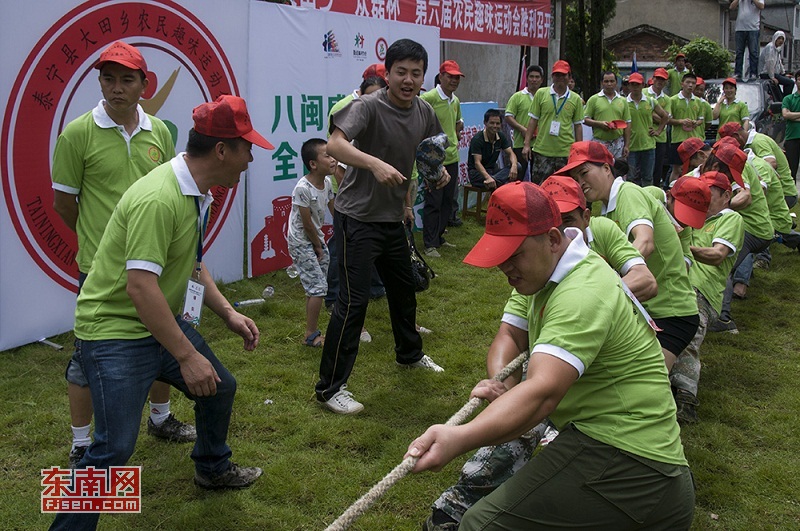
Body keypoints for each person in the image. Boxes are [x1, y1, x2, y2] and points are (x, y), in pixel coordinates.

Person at [409, 181, 694, 531]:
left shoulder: (582, 292)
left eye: (515, 254)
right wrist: (504, 384)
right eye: (500, 256)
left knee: (479, 525)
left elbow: (542, 393)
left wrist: (458, 437)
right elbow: (510, 334)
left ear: (554, 239)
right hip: (622, 455)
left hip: (632, 464)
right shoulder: (543, 276)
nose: (505, 268)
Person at [49, 95, 271, 531]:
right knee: (113, 448)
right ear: (222, 150)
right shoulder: (161, 198)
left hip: (156, 323)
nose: (250, 159)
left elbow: (189, 261)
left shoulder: (193, 189)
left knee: (220, 388)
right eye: (246, 148)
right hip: (114, 331)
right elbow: (140, 287)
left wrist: (227, 313)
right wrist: (187, 356)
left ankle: (211, 468)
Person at [50, 40, 193, 468]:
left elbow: (171, 190)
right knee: (86, 360)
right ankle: (81, 442)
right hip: (99, 270)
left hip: (155, 265)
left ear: (143, 85)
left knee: (162, 339)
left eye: (126, 79)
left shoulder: (161, 133)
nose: (116, 88)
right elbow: (64, 203)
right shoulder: (77, 134)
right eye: (108, 78)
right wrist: (103, 244)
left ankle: (161, 418)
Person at [317, 38, 447, 415]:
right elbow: (335, 146)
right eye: (401, 72)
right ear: (387, 73)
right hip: (357, 218)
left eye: (416, 73)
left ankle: (409, 354)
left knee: (404, 291)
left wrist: (436, 174)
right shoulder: (367, 107)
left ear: (424, 76)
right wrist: (372, 164)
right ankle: (330, 389)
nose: (408, 79)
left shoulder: (424, 110)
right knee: (353, 303)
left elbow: (429, 150)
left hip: (393, 218)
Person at [558, 141, 699, 371]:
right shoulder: (605, 210)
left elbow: (645, 241)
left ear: (606, 168)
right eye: (575, 178)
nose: (581, 182)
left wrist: (602, 286)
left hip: (670, 312)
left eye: (584, 173)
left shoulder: (628, 194)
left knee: (646, 381)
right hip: (644, 308)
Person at [668, 173, 744, 423]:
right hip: (675, 282)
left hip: (701, 288)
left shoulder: (730, 218)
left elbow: (717, 254)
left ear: (727, 196)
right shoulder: (691, 217)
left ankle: (686, 398)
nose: (705, 202)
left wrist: (675, 244)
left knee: (689, 335)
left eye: (710, 197)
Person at [700, 141, 772, 334]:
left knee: (722, 267)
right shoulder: (727, 167)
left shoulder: (739, 168)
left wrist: (721, 207)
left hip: (754, 229)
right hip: (756, 226)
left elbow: (745, 196)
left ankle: (723, 320)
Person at [288, 138, 336, 348]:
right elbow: (306, 223)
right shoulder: (303, 188)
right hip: (302, 241)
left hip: (317, 239)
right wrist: (317, 245)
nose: (333, 159)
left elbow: (335, 209)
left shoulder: (326, 183)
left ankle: (312, 331)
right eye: (327, 155)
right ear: (313, 164)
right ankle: (311, 334)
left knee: (316, 286)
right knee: (318, 287)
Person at [421, 60, 464, 257]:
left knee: (448, 200)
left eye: (457, 77)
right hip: (434, 160)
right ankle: (429, 243)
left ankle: (439, 237)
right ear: (441, 76)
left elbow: (457, 124)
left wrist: (453, 139)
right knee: (434, 201)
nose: (454, 80)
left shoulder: (455, 100)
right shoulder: (429, 97)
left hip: (452, 157)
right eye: (450, 76)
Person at [522, 60, 584, 184]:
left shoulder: (575, 99)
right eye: (557, 75)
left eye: (563, 75)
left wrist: (579, 151)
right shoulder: (541, 94)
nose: (560, 78)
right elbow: (533, 120)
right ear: (552, 77)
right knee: (540, 188)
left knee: (563, 188)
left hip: (565, 152)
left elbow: (578, 126)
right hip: (542, 151)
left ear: (569, 77)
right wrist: (527, 144)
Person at [719, 121, 798, 208]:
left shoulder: (758, 142)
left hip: (784, 192)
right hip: (776, 192)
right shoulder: (751, 143)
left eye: (730, 142)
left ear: (736, 136)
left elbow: (771, 163)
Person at [626, 72, 669, 186]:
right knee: (630, 177)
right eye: (632, 84)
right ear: (629, 86)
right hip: (631, 146)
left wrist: (658, 131)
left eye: (638, 84)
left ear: (643, 85)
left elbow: (665, 116)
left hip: (648, 145)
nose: (635, 87)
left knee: (648, 177)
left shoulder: (650, 101)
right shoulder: (624, 102)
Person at [504, 64, 545, 180]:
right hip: (520, 144)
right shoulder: (517, 96)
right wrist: (523, 130)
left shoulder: (546, 97)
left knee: (538, 178)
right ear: (526, 79)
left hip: (540, 145)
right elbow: (508, 116)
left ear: (542, 80)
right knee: (518, 177)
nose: (534, 80)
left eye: (537, 77)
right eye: (531, 77)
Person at [467, 109, 519, 190]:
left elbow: (511, 153)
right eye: (492, 123)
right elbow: (477, 163)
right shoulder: (477, 139)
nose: (495, 126)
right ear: (485, 123)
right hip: (477, 174)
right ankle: (498, 181)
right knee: (503, 182)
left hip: (493, 171)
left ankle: (496, 181)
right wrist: (488, 178)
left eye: (497, 123)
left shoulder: (500, 136)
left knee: (518, 166)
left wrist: (514, 166)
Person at [583, 71, 631, 159]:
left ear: (616, 83)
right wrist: (599, 124)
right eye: (606, 81)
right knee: (600, 170)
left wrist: (627, 145)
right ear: (602, 83)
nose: (609, 84)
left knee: (617, 171)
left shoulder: (623, 100)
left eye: (612, 81)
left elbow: (627, 123)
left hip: (618, 143)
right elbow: (584, 119)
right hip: (600, 142)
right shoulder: (594, 99)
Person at [668, 73, 704, 182]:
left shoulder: (698, 101)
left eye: (693, 83)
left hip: (694, 141)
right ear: (682, 83)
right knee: (677, 169)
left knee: (694, 168)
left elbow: (701, 120)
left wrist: (695, 123)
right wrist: (681, 121)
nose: (690, 85)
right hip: (678, 139)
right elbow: (668, 120)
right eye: (688, 82)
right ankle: (672, 190)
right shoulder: (673, 100)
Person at [648, 67, 673, 188]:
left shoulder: (667, 99)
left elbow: (667, 118)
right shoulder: (643, 93)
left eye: (662, 80)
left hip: (660, 138)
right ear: (653, 79)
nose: (660, 81)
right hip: (645, 137)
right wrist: (660, 117)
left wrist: (658, 127)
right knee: (643, 169)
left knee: (657, 169)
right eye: (658, 78)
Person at [731, 0, 765, 81]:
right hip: (740, 28)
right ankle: (737, 73)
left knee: (753, 52)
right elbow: (731, 7)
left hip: (753, 28)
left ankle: (753, 73)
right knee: (739, 52)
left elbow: (761, 6)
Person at [759, 30, 793, 100]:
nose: (781, 41)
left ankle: (783, 101)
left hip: (773, 74)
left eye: (782, 39)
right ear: (775, 38)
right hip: (766, 73)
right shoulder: (770, 48)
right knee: (790, 83)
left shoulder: (776, 49)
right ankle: (786, 101)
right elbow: (769, 63)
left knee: (779, 95)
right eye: (779, 38)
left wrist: (783, 74)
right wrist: (772, 77)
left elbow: (779, 63)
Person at [781, 70, 800, 187]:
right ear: (796, 81)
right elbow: (785, 114)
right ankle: (792, 195)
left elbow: (789, 115)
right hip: (792, 137)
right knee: (791, 169)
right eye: (799, 79)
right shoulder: (788, 98)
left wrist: (793, 116)